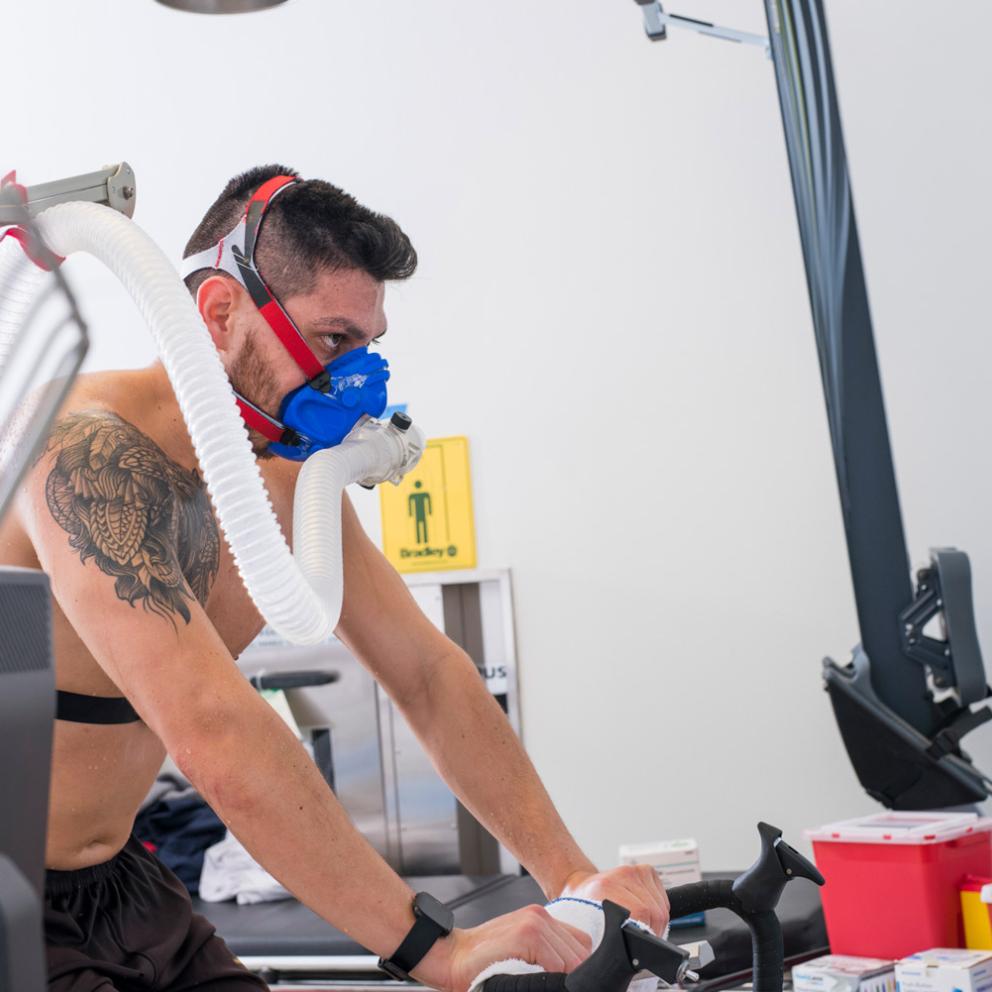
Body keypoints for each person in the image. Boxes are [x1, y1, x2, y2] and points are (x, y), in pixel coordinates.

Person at [0, 165, 669, 992]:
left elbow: (427, 674)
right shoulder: (79, 451)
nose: (357, 380)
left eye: (367, 344)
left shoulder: (283, 481)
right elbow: (215, 732)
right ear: (217, 313)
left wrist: (572, 880)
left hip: (124, 887)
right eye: (331, 340)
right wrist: (438, 948)